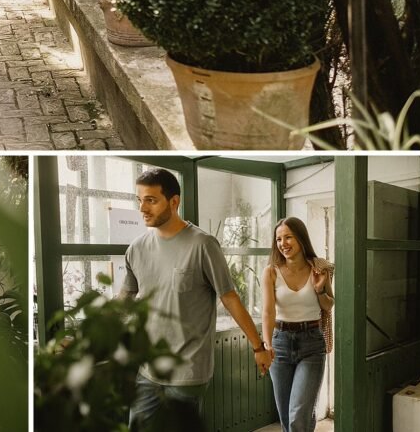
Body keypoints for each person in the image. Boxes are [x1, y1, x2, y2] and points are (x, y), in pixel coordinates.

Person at [119, 168, 269, 429]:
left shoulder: (203, 244)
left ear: (174, 202)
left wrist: (258, 347)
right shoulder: (136, 249)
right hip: (148, 369)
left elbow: (229, 296)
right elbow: (125, 298)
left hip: (188, 371)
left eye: (151, 200)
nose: (142, 208)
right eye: (139, 200)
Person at [262, 217, 335, 432]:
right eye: (278, 239)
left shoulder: (318, 268)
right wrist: (267, 345)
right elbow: (268, 312)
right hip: (280, 344)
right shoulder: (271, 272)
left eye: (288, 237)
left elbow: (328, 306)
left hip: (311, 344)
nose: (282, 243)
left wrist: (320, 288)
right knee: (287, 418)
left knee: (298, 415)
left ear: (301, 238)